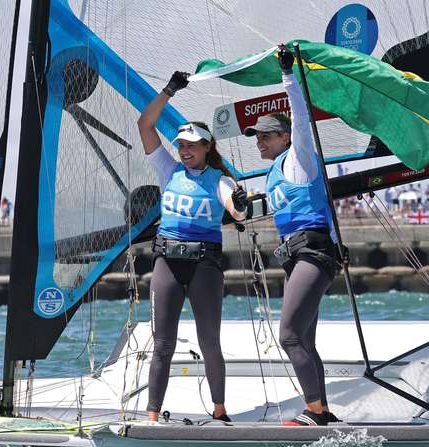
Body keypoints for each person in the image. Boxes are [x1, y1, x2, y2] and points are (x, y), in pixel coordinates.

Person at [137, 71, 247, 423]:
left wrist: (240, 204)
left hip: (204, 266)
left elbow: (234, 206)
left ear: (207, 148)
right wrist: (169, 91)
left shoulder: (220, 180)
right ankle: (152, 416)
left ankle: (220, 411)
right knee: (162, 345)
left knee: (209, 341)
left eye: (192, 146)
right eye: (181, 146)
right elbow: (145, 124)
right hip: (167, 263)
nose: (184, 151)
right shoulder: (169, 170)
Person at [243, 45, 339, 426]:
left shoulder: (300, 156)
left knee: (289, 337)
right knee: (304, 339)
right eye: (257, 138)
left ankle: (313, 410)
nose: (259, 142)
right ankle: (324, 413)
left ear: (285, 138)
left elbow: (301, 118)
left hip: (312, 255)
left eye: (266, 136)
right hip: (299, 256)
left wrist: (288, 74)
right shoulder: (275, 173)